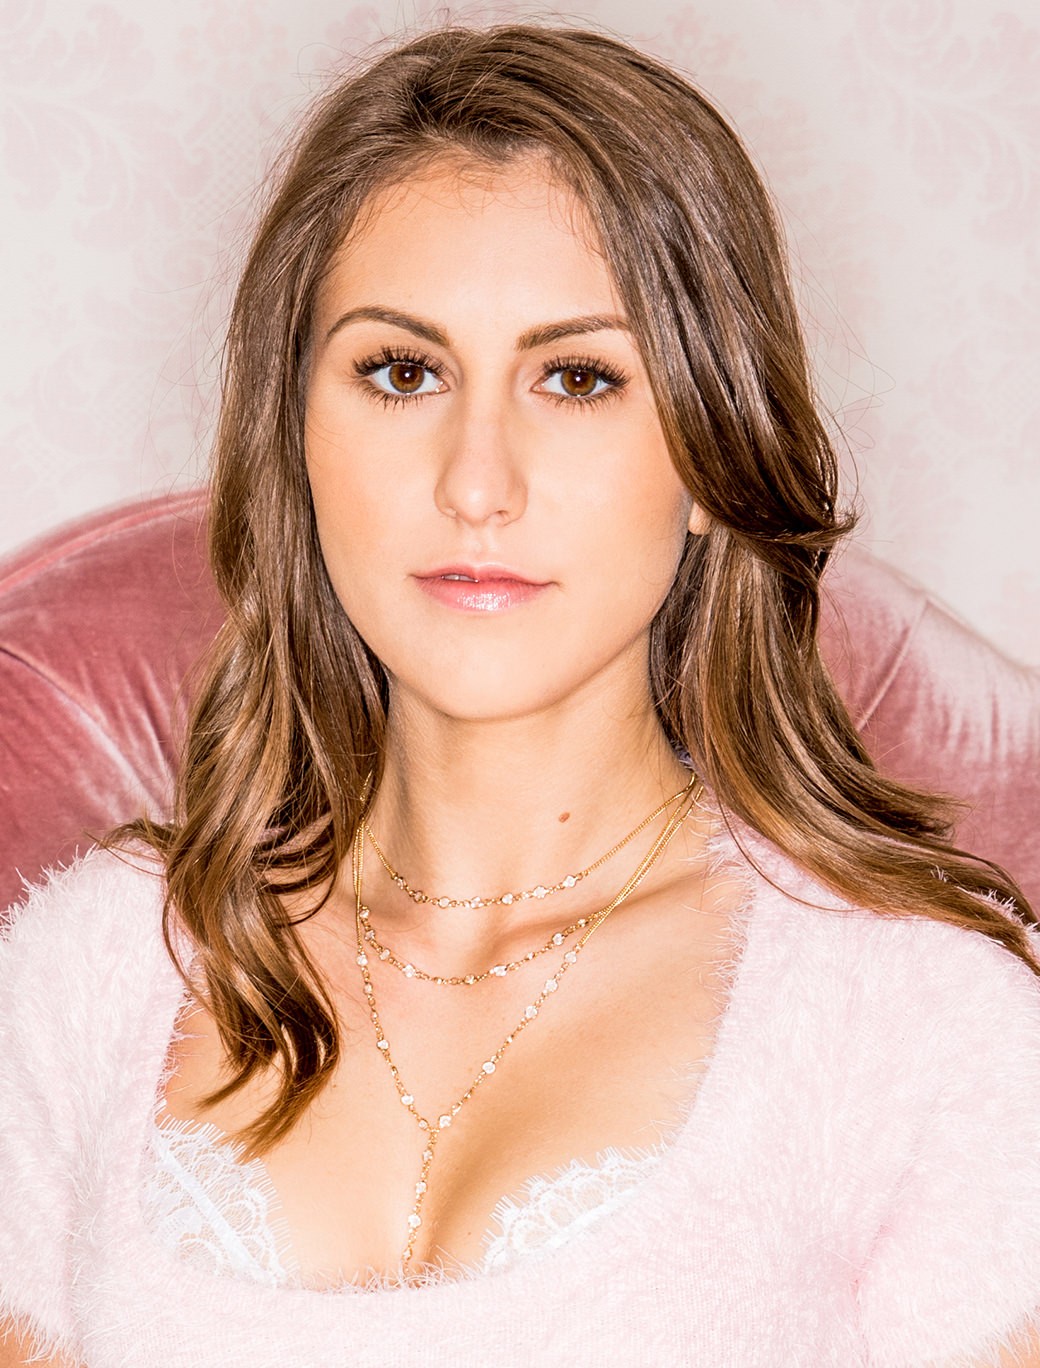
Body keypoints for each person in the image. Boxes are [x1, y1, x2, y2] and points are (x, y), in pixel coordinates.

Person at [2, 21, 1040, 1367]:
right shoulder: (92, 973)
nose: (476, 482)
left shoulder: (920, 1024)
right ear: (294, 435)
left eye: (577, 378)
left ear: (713, 456)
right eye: (402, 372)